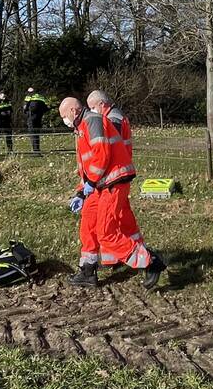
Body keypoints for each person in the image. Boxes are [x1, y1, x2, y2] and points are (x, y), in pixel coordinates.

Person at [59, 92, 166, 289]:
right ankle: (88, 270)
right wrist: (82, 191)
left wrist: (89, 184)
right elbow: (88, 163)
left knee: (106, 232)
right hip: (100, 183)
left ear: (73, 110)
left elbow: (102, 156)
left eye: (64, 116)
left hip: (112, 181)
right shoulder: (82, 127)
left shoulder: (92, 122)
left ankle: (150, 261)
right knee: (88, 224)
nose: (64, 120)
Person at [23, 87, 48, 154]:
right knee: (36, 134)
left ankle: (35, 151)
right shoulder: (41, 97)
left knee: (32, 134)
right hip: (39, 117)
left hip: (31, 117)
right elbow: (46, 108)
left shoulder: (28, 97)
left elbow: (25, 108)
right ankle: (37, 149)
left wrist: (26, 113)